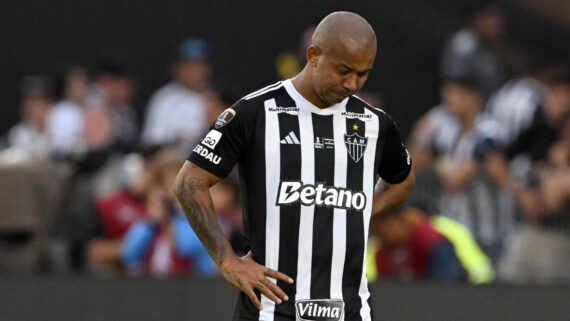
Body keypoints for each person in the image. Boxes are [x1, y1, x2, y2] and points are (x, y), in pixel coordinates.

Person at [174, 12, 415, 321]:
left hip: (350, 311)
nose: (352, 83)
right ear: (314, 55)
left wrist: (364, 211)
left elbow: (403, 179)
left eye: (362, 74)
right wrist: (227, 260)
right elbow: (188, 182)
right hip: (269, 310)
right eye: (343, 71)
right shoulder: (255, 113)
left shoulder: (375, 124)